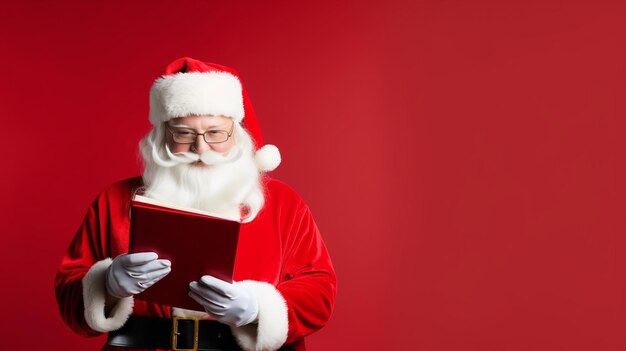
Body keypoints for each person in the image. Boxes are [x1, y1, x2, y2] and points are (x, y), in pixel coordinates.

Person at [55, 57, 337, 351]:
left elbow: (320, 289)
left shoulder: (282, 203)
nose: (200, 148)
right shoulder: (114, 200)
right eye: (184, 132)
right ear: (162, 134)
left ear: (237, 135)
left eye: (215, 132)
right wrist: (107, 285)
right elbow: (68, 290)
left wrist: (257, 309)